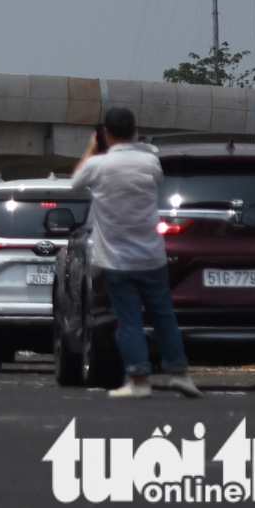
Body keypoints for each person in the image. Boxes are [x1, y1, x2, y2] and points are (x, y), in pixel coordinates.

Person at [71, 106, 201, 399]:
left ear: (105, 133)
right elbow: (155, 181)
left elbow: (76, 182)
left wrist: (93, 149)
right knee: (163, 315)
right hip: (152, 255)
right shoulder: (150, 162)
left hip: (117, 259)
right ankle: (179, 373)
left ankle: (140, 380)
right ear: (135, 132)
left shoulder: (98, 166)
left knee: (129, 320)